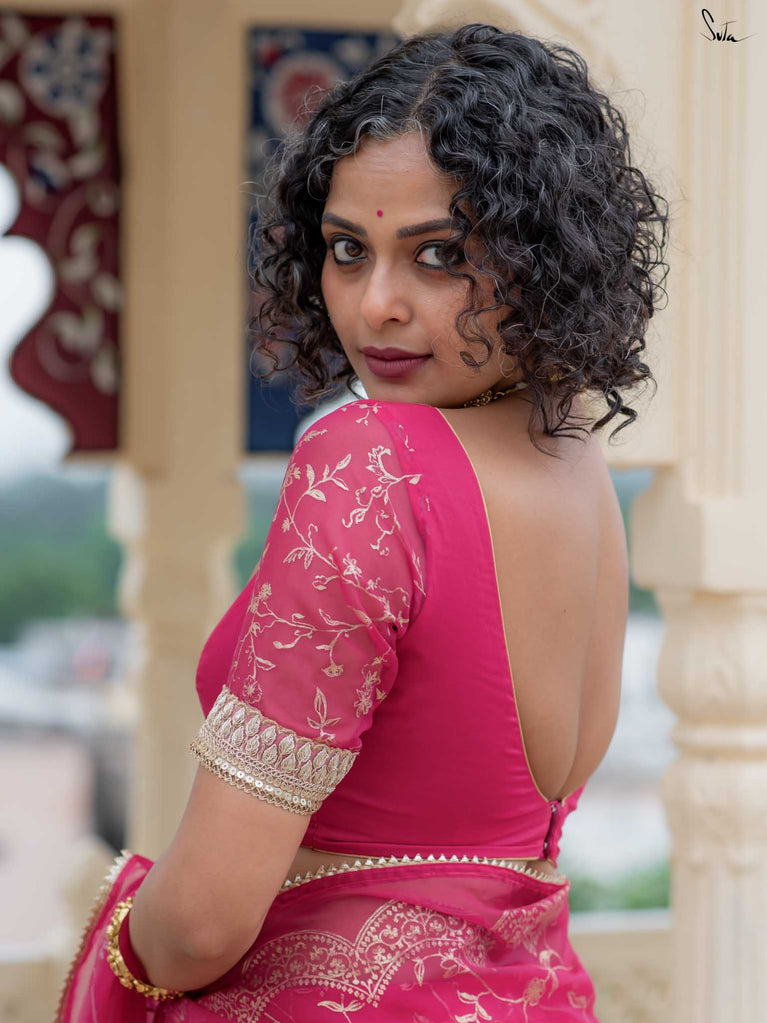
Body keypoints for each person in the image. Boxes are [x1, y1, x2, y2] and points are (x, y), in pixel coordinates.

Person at [55, 21, 669, 1021]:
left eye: (439, 256)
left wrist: (120, 933)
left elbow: (200, 924)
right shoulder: (573, 460)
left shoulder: (371, 462)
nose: (376, 304)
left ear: (544, 257)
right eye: (348, 250)